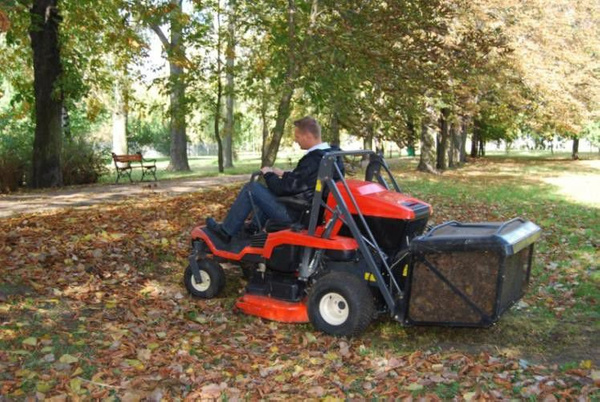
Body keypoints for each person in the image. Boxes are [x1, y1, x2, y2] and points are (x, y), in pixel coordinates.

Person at [206, 116, 344, 242]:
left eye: (297, 136)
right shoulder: (332, 156)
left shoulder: (313, 160)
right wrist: (284, 174)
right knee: (265, 192)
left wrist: (268, 174)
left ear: (308, 136)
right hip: (313, 210)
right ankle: (253, 228)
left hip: (297, 215)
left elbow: (283, 188)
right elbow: (304, 181)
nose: (296, 140)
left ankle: (226, 231)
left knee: (252, 188)